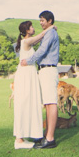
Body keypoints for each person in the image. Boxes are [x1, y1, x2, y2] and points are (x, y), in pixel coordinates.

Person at [12, 20, 57, 149]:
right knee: (24, 103)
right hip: (26, 75)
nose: (33, 28)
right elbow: (41, 36)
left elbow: (39, 40)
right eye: (31, 27)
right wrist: (51, 27)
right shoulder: (26, 41)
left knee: (29, 103)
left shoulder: (28, 41)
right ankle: (19, 140)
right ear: (27, 30)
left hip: (29, 74)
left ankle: (24, 136)